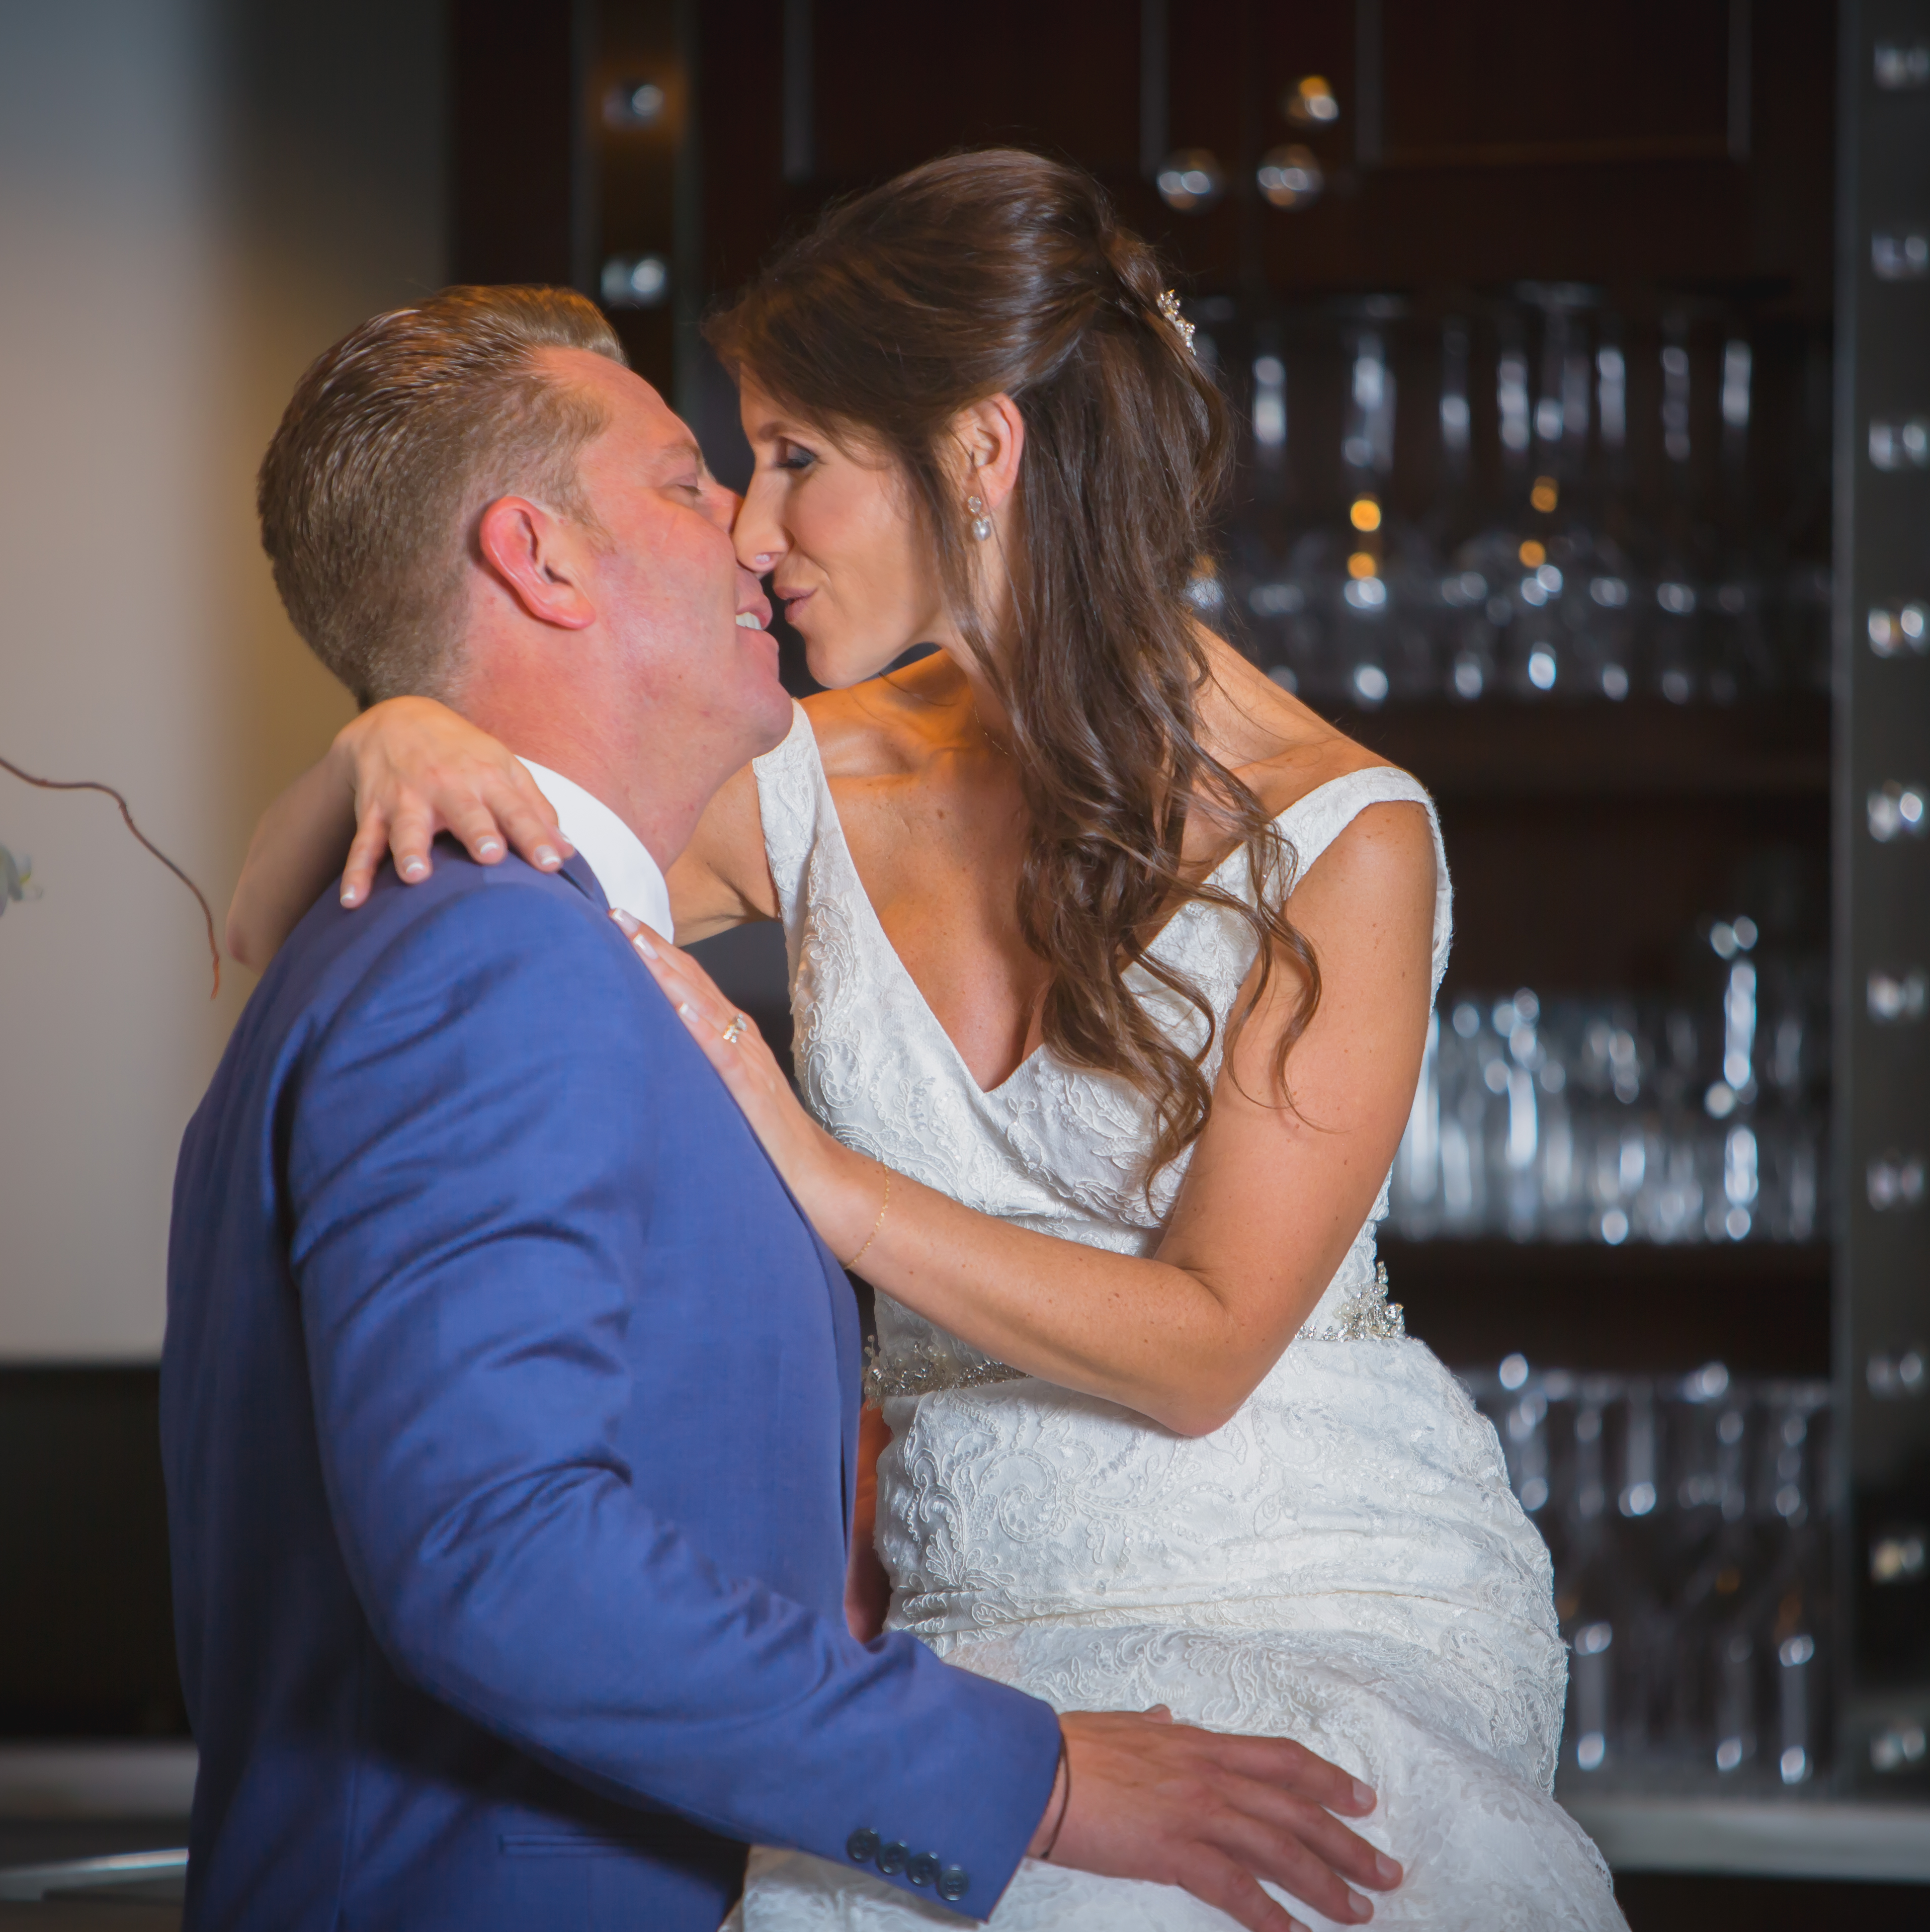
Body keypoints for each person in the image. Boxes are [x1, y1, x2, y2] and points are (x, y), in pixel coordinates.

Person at [225, 155, 1626, 1930]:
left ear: (980, 454)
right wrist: (394, 737)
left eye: (798, 457)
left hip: (1306, 1572)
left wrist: (827, 1180)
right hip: (975, 1614)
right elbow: (293, 940)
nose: (751, 529)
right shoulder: (803, 787)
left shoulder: (1347, 836)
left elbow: (1204, 1350)